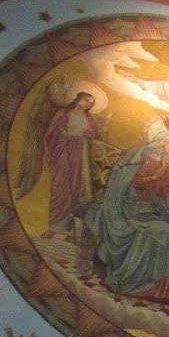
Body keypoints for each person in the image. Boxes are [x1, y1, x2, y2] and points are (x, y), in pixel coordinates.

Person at [83, 122, 169, 300]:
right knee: (164, 230)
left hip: (148, 208)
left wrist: (160, 188)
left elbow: (156, 190)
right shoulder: (140, 154)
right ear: (163, 140)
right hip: (128, 206)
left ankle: (165, 289)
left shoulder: (161, 162)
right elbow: (127, 180)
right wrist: (153, 179)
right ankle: (145, 283)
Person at [15, 82, 107, 235]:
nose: (88, 105)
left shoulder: (89, 119)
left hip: (80, 156)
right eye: (86, 100)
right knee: (60, 189)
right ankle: (54, 227)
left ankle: (71, 229)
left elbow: (95, 135)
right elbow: (50, 134)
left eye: (91, 103)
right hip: (63, 152)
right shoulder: (63, 114)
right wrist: (63, 136)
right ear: (78, 99)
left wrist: (91, 134)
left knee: (77, 190)